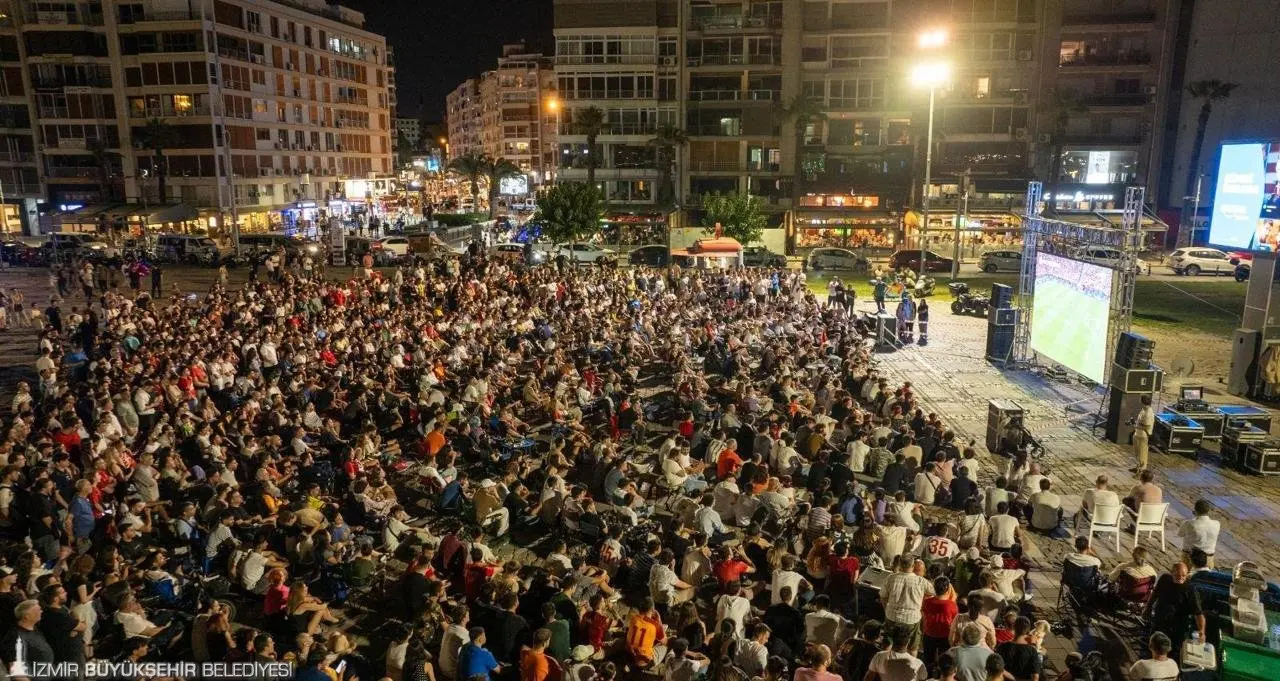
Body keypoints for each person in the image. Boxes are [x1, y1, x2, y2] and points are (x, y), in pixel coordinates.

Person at [1147, 561, 1205, 659]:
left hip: (1177, 628)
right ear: (1171, 573)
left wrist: (1202, 631)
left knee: (1173, 652)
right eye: (1178, 575)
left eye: (1183, 576)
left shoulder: (1190, 590)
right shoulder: (1164, 579)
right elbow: (1155, 594)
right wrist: (1147, 608)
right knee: (1155, 647)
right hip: (1159, 621)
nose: (1181, 578)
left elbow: (1198, 613)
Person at [881, 554, 934, 656]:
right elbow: (935, 592)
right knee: (912, 647)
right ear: (913, 566)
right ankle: (910, 664)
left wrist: (886, 608)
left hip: (892, 616)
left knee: (888, 643)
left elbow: (883, 596)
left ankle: (884, 661)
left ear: (900, 565)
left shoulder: (891, 578)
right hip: (912, 620)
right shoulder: (921, 581)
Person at [1178, 499, 1221, 568]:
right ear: (1208, 511)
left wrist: (1194, 517)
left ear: (1195, 510)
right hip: (1208, 558)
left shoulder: (1188, 523)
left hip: (1190, 558)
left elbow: (1180, 534)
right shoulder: (1217, 524)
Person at [1132, 395, 1154, 472]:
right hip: (1138, 434)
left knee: (1142, 454)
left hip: (1143, 436)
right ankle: (1138, 467)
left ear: (1142, 401)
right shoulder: (1144, 409)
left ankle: (1142, 471)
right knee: (1137, 453)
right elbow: (1141, 422)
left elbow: (1147, 426)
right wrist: (1135, 423)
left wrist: (1135, 426)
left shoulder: (1148, 413)